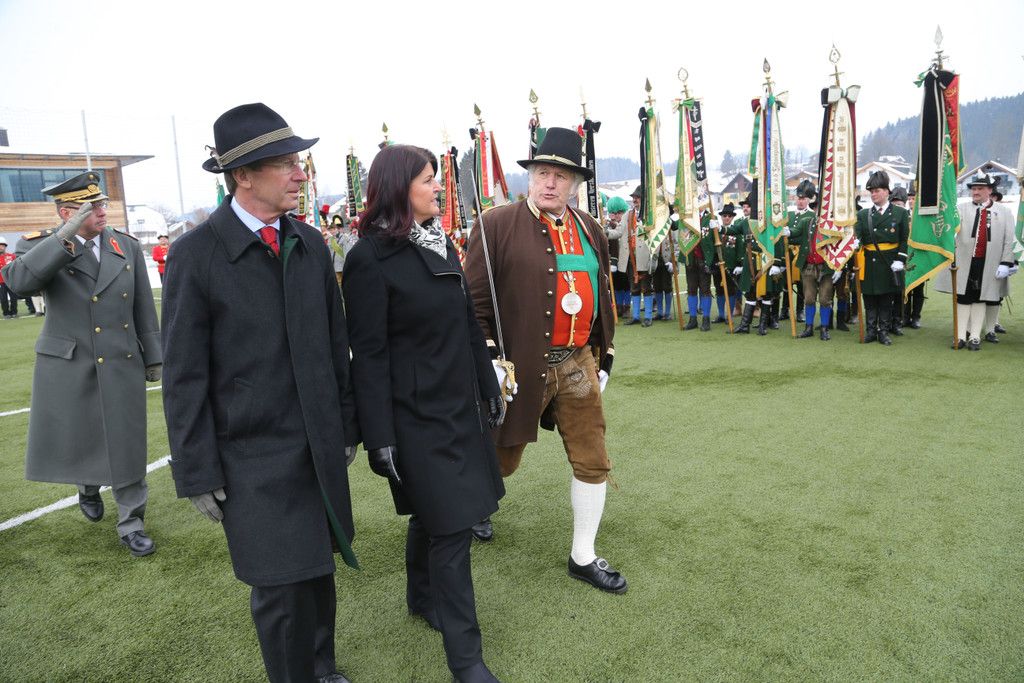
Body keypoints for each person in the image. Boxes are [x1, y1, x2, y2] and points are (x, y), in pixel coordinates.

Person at [161, 103, 358, 683]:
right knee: (280, 589)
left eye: (299, 162)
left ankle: (322, 668)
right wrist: (196, 470)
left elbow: (335, 343)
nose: (300, 174)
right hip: (250, 458)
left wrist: (346, 426)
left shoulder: (310, 244)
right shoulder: (195, 255)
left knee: (317, 570)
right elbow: (183, 376)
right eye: (286, 164)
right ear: (242, 175)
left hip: (315, 447)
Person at [343, 144, 504, 683]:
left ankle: (421, 597)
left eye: (437, 177)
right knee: (453, 529)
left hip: (458, 406)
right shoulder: (368, 258)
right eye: (429, 179)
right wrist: (378, 436)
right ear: (399, 188)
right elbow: (368, 354)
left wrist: (488, 384)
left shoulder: (439, 242)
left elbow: (466, 321)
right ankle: (467, 661)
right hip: (413, 417)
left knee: (432, 515)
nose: (439, 187)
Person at [464, 126, 626, 595]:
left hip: (576, 363)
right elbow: (473, 303)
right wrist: (490, 359)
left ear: (575, 184)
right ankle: (473, 507)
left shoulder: (591, 228)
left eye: (561, 176)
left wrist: (603, 356)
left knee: (593, 458)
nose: (550, 183)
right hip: (517, 367)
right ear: (531, 176)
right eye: (542, 173)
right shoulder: (495, 225)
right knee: (501, 458)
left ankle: (583, 556)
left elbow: (603, 295)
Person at [0, 172, 162, 555]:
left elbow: (142, 304)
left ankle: (132, 522)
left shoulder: (125, 245)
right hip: (71, 362)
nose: (102, 212)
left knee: (127, 442)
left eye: (103, 204)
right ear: (66, 212)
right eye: (91, 208)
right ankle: (87, 485)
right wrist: (63, 238)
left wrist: (154, 355)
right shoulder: (39, 245)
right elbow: (18, 283)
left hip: (120, 358)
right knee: (83, 434)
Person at [934, 172, 1016, 350]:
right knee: (963, 297)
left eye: (980, 188)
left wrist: (1006, 262)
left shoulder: (1004, 212)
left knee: (981, 297)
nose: (975, 192)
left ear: (990, 190)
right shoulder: (960, 209)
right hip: (964, 261)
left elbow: (1009, 240)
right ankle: (960, 336)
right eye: (973, 189)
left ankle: (975, 337)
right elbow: (947, 230)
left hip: (990, 263)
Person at [855, 170, 909, 345]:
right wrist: (854, 244)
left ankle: (883, 331)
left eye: (877, 191)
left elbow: (904, 239)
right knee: (869, 298)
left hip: (890, 262)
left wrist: (900, 259)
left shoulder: (900, 213)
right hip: (869, 261)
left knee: (886, 299)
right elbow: (858, 238)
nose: (873, 194)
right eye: (871, 191)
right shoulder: (863, 215)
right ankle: (871, 330)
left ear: (887, 191)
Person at [788, 180, 838, 340]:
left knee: (825, 299)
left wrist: (838, 267)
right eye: (816, 208)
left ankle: (824, 328)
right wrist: (786, 231)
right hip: (809, 266)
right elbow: (795, 232)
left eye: (820, 208)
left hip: (826, 267)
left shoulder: (832, 227)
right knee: (809, 298)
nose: (818, 211)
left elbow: (839, 247)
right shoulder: (807, 222)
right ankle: (808, 327)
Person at [624, 185, 654, 326]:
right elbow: (619, 231)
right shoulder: (629, 215)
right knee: (634, 287)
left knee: (646, 287)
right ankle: (635, 316)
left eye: (637, 197)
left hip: (644, 256)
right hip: (632, 257)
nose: (635, 200)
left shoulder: (649, 216)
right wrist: (605, 231)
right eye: (634, 198)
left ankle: (648, 316)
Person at [603, 196, 631, 318]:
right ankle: (618, 306)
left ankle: (627, 307)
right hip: (614, 260)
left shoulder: (627, 223)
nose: (616, 215)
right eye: (613, 213)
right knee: (616, 284)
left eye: (619, 213)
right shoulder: (608, 226)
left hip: (626, 259)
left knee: (626, 284)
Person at [325, 215, 346, 285]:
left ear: (337, 229)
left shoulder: (344, 237)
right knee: (338, 283)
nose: (332, 231)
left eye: (333, 229)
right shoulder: (330, 240)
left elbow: (346, 251)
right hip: (335, 264)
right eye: (330, 230)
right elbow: (329, 252)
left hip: (343, 263)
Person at [0, 238, 15, 318]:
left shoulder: (12, 256)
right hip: (1, 282)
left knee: (13, 297)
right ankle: (6, 313)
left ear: (5, 246)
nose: (0, 247)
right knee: (3, 298)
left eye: (2, 246)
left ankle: (14, 312)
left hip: (11, 280)